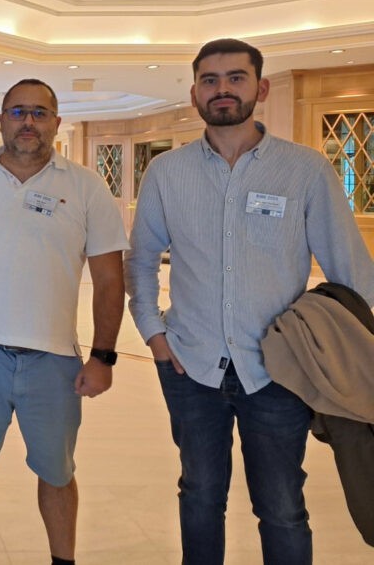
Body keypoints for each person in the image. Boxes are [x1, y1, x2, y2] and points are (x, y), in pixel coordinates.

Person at [125, 38, 374, 565]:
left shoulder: (305, 170)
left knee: (282, 507)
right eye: (210, 80)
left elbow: (350, 267)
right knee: (199, 495)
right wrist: (153, 333)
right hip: (191, 365)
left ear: (260, 89)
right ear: (195, 93)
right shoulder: (166, 172)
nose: (222, 89)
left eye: (236, 78)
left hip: (278, 369)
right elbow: (141, 259)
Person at [0, 78, 128, 565]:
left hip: (54, 361)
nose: (28, 122)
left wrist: (103, 356)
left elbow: (109, 279)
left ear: (56, 122)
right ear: (1, 120)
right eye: (17, 112)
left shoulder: (85, 186)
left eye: (39, 112)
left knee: (56, 473)